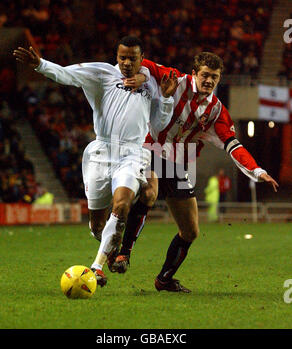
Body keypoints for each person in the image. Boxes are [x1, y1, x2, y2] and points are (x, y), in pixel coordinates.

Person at [13, 36, 178, 287]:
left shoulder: (151, 83)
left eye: (132, 58)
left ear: (141, 59)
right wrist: (40, 65)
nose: (125, 63)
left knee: (122, 205)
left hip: (133, 153)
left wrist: (165, 100)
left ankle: (96, 267)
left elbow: (158, 125)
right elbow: (66, 75)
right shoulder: (101, 73)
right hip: (100, 153)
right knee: (97, 225)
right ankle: (110, 250)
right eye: (122, 57)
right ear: (116, 56)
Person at [108, 52, 279, 293]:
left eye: (215, 77)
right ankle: (122, 254)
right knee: (149, 192)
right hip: (147, 148)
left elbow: (232, 144)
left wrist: (257, 170)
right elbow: (139, 61)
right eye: (205, 75)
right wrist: (138, 75)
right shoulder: (174, 80)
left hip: (176, 163)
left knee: (191, 230)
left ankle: (164, 279)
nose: (209, 81)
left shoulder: (216, 111)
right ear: (194, 73)